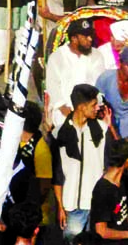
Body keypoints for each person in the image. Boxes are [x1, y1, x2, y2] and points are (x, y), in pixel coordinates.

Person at [51, 84, 109, 242]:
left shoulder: (102, 130)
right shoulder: (60, 135)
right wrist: (61, 207)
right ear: (82, 107)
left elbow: (110, 165)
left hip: (96, 204)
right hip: (73, 206)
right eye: (93, 105)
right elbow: (57, 175)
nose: (97, 108)